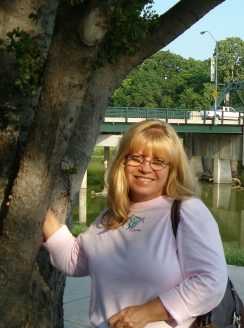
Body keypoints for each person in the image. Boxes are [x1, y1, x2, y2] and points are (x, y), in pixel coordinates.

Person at [42, 119, 228, 328]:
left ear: (172, 168)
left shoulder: (187, 211)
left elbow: (210, 282)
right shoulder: (112, 215)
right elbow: (74, 260)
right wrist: (36, 206)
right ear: (123, 161)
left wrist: (146, 313)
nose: (145, 168)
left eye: (158, 161)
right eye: (136, 158)